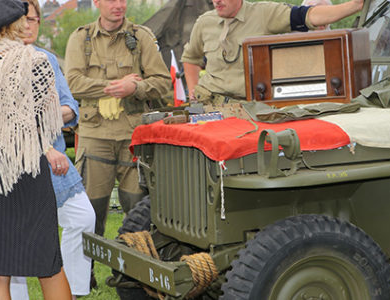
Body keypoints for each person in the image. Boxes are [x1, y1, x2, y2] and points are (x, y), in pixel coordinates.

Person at [0, 0, 72, 299]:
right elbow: (46, 124)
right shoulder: (37, 62)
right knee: (48, 265)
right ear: (17, 23)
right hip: (28, 171)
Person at [9, 1, 96, 299]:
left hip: (56, 161)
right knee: (18, 239)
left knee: (83, 218)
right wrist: (47, 116)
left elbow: (71, 106)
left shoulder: (46, 58)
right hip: (16, 165)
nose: (30, 25)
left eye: (35, 19)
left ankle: (72, 291)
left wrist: (46, 115)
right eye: (24, 19)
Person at [64, 0, 171, 237]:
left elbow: (163, 81)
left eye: (123, 0)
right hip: (95, 137)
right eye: (112, 0)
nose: (119, 5)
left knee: (138, 212)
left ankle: (133, 271)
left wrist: (135, 88)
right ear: (97, 3)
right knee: (90, 214)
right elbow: (72, 83)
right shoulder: (81, 38)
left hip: (133, 137)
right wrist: (114, 87)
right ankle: (86, 274)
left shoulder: (141, 37)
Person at [182, 0, 363, 103]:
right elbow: (190, 58)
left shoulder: (263, 14)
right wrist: (192, 89)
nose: (217, 1)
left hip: (246, 108)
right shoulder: (204, 22)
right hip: (208, 107)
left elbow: (309, 16)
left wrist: (354, 5)